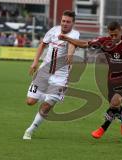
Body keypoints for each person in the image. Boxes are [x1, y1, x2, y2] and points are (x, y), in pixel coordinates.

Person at [59, 21, 122, 139]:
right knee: (115, 106)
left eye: (116, 35)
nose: (114, 38)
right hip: (112, 81)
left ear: (121, 31)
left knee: (114, 103)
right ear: (108, 33)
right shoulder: (104, 42)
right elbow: (85, 44)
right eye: (111, 35)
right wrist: (67, 38)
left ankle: (102, 128)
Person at [23, 10, 80, 140]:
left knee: (47, 105)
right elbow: (43, 44)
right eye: (63, 21)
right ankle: (46, 95)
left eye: (68, 22)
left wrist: (70, 55)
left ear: (73, 23)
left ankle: (30, 130)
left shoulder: (75, 34)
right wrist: (35, 62)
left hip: (60, 76)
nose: (65, 24)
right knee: (30, 102)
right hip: (43, 72)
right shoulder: (54, 30)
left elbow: (72, 45)